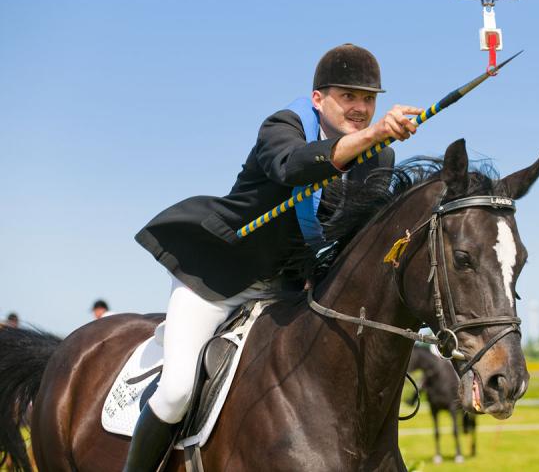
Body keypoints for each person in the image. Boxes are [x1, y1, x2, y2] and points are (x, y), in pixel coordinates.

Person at [123, 44, 421, 471]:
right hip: (219, 279)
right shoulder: (282, 126)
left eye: (369, 99)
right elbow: (293, 168)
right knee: (174, 392)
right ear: (318, 98)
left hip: (289, 293)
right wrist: (373, 135)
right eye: (348, 96)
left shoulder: (380, 158)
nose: (360, 108)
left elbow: (361, 243)